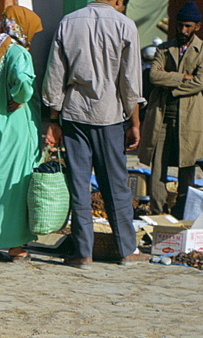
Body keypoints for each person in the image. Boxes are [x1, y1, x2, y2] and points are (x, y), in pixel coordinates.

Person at [42, 0, 148, 268]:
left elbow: (55, 75)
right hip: (110, 116)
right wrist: (134, 122)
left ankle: (83, 253)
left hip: (74, 114)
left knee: (79, 184)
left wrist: (53, 118)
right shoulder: (125, 25)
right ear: (116, 1)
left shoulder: (69, 22)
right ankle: (127, 250)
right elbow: (131, 82)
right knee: (116, 185)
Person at [0, 5, 43, 263]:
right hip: (14, 127)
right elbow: (24, 83)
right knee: (15, 183)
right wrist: (20, 98)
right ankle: (15, 245)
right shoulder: (18, 53)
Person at [139, 1, 203, 216]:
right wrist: (183, 77)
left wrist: (170, 85)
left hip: (189, 116)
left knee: (187, 165)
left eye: (188, 26)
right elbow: (154, 76)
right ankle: (157, 212)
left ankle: (183, 211)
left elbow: (200, 83)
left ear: (197, 27)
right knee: (157, 164)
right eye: (180, 25)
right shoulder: (164, 48)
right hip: (161, 114)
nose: (183, 30)